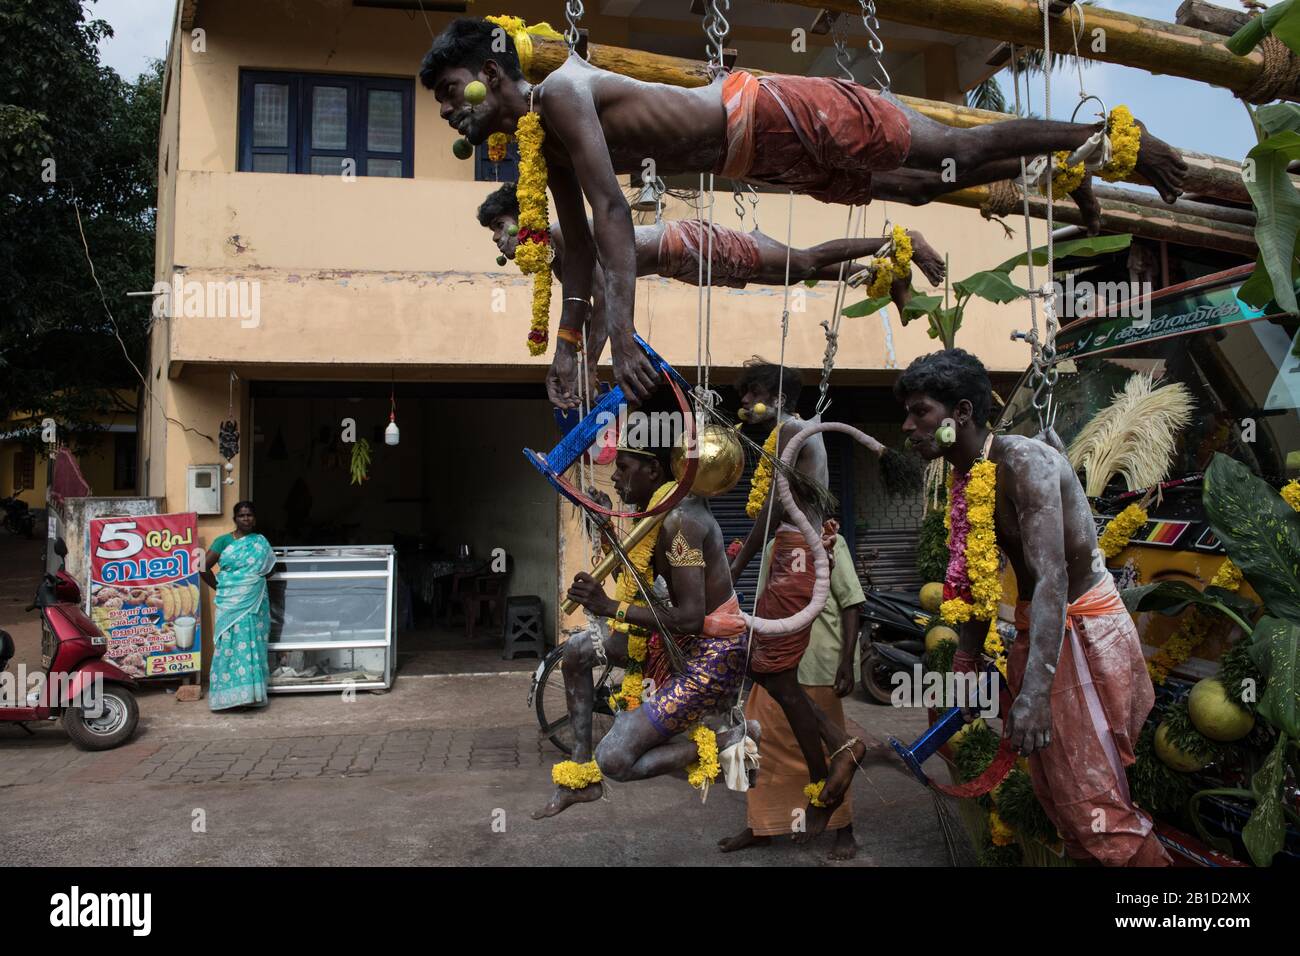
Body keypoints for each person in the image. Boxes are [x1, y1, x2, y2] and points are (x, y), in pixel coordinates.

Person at [420, 17, 1187, 405]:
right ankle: (1063, 166)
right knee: (925, 186)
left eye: (452, 94)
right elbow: (581, 250)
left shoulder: (559, 95)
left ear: (492, 73)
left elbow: (613, 214)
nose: (451, 114)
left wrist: (617, 337)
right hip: (763, 158)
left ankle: (1112, 138)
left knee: (958, 149)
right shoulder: (539, 144)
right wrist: (567, 347)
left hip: (773, 111)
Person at [895, 349, 1170, 866]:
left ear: (962, 412)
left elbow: (1052, 579)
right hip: (1040, 632)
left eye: (920, 411)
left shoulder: (1024, 462)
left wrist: (1037, 694)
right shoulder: (968, 475)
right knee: (1061, 799)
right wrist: (965, 665)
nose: (908, 426)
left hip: (1080, 631)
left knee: (1094, 806)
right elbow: (976, 579)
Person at [533, 408, 756, 819]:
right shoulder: (659, 512)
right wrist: (604, 529)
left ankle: (725, 739)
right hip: (671, 639)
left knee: (616, 759)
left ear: (654, 470)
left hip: (706, 657)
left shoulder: (681, 522)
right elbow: (641, 579)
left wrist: (608, 606)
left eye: (623, 467)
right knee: (577, 653)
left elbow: (689, 617)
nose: (615, 478)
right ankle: (580, 773)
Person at [729, 360, 868, 841]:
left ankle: (832, 762)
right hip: (795, 554)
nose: (744, 403)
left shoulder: (791, 427)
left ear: (776, 394)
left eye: (752, 394)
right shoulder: (796, 431)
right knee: (769, 673)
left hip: (796, 555)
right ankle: (834, 757)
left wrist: (738, 564)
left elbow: (774, 506)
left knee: (771, 672)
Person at [720, 530, 864, 860]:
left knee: (832, 749)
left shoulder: (831, 540)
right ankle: (761, 826)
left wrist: (847, 661)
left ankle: (844, 828)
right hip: (774, 665)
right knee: (756, 743)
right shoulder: (773, 544)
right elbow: (762, 606)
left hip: (817, 663)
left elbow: (852, 602)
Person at [201, 501, 277, 712]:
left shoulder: (260, 542)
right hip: (230, 602)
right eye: (242, 515)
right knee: (229, 646)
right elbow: (201, 566)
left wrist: (252, 580)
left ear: (255, 518)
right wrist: (220, 587)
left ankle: (250, 695)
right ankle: (229, 696)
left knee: (254, 644)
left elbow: (270, 568)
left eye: (250, 515)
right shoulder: (223, 541)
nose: (246, 519)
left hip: (255, 602)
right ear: (234, 519)